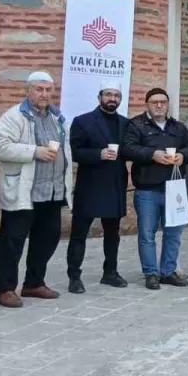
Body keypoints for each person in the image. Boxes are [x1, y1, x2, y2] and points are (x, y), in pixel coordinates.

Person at [0, 71, 73, 308]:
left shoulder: (58, 117)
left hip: (52, 191)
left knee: (47, 238)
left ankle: (33, 283)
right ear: (28, 90)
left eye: (48, 90)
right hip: (24, 191)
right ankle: (5, 289)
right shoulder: (14, 116)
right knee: (12, 241)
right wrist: (34, 152)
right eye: (39, 89)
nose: (44, 94)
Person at [122, 88, 188, 289]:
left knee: (173, 234)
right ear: (147, 104)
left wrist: (183, 156)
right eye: (154, 102)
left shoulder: (178, 127)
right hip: (147, 189)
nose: (159, 105)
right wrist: (152, 154)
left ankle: (168, 271)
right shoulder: (136, 124)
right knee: (147, 234)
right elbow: (128, 148)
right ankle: (151, 273)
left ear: (167, 104)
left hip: (174, 190)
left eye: (163, 102)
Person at [66, 86, 130, 293]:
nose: (113, 98)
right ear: (99, 97)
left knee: (113, 234)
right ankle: (74, 276)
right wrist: (98, 154)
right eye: (108, 95)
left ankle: (110, 272)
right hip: (90, 185)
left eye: (117, 95)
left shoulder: (125, 123)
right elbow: (74, 153)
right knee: (79, 234)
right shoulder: (82, 121)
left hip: (115, 185)